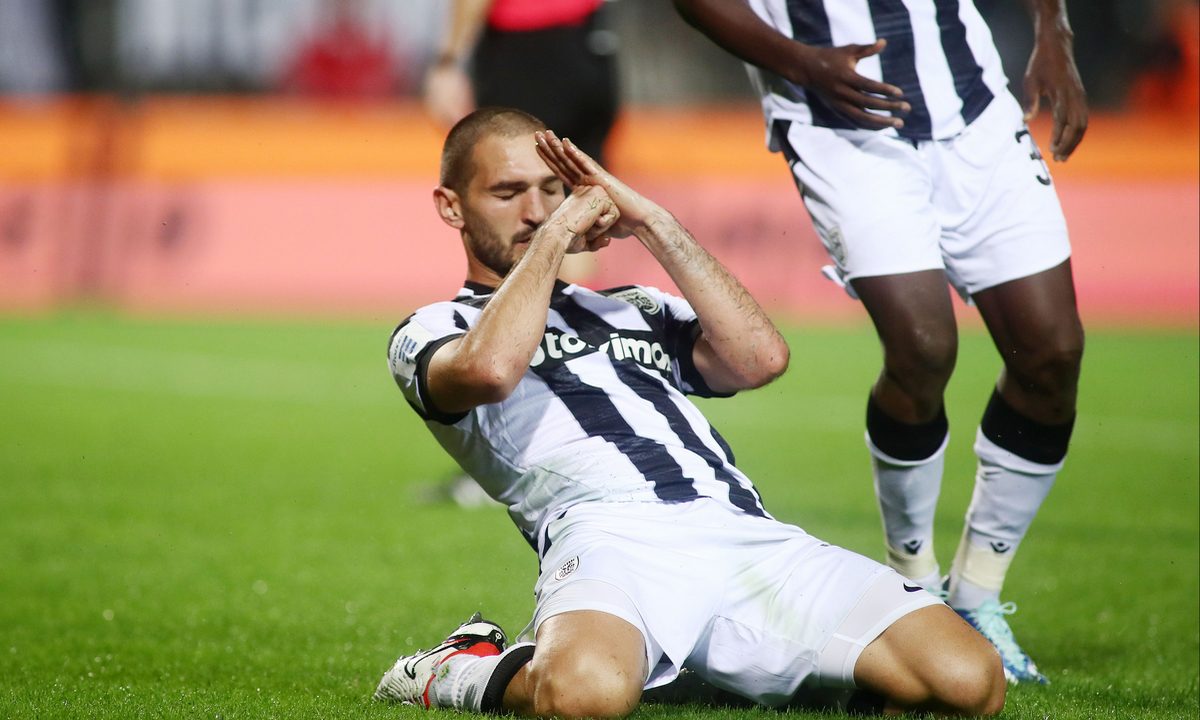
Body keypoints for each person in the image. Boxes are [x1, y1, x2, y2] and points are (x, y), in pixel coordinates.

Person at [374, 106, 1005, 717]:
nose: (537, 210)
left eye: (552, 189)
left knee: (969, 681)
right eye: (508, 192)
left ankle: (699, 668)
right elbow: (489, 371)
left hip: (737, 524)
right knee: (584, 695)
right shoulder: (434, 328)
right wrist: (559, 234)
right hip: (606, 537)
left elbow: (760, 359)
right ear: (451, 206)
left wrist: (651, 221)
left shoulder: (631, 306)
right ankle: (453, 668)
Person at [670, 0, 1087, 685]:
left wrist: (1054, 33)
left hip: (976, 109)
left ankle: (977, 596)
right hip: (840, 121)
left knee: (1053, 354)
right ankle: (915, 586)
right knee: (923, 347)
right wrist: (803, 63)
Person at [423, 0, 618, 162]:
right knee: (585, 173)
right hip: (590, 36)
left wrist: (449, 62)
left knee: (518, 173)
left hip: (526, 50)